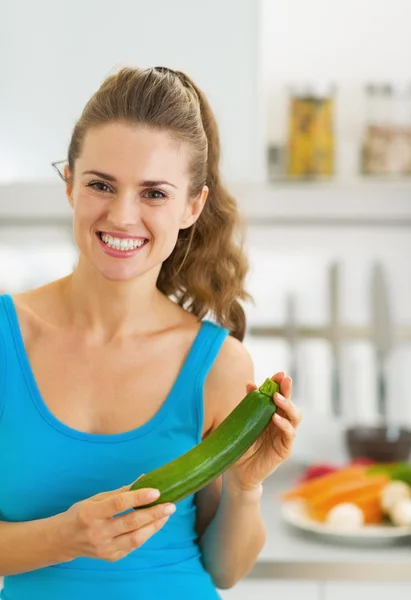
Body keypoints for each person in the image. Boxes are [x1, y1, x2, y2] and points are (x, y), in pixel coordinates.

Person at [0, 66, 302, 600]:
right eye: (100, 184)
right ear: (69, 183)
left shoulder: (220, 365)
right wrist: (64, 537)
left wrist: (245, 487)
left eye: (154, 193)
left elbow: (225, 570)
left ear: (192, 206)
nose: (121, 215)